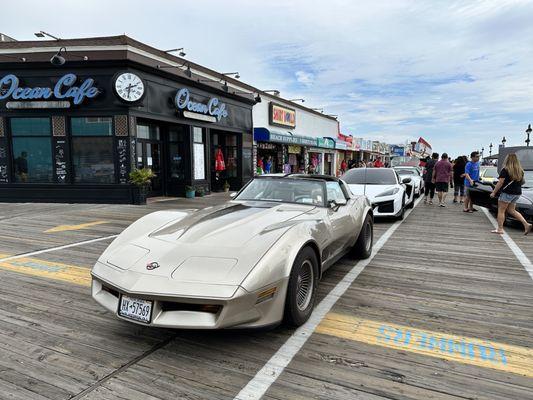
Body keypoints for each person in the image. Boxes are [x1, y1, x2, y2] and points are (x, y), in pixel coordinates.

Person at [489, 154, 532, 235]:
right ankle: (526, 224)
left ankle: (500, 229)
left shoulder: (505, 170)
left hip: (507, 193)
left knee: (501, 210)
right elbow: (522, 182)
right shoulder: (520, 170)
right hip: (517, 193)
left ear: (507, 160)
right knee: (512, 210)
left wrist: (494, 192)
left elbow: (500, 182)